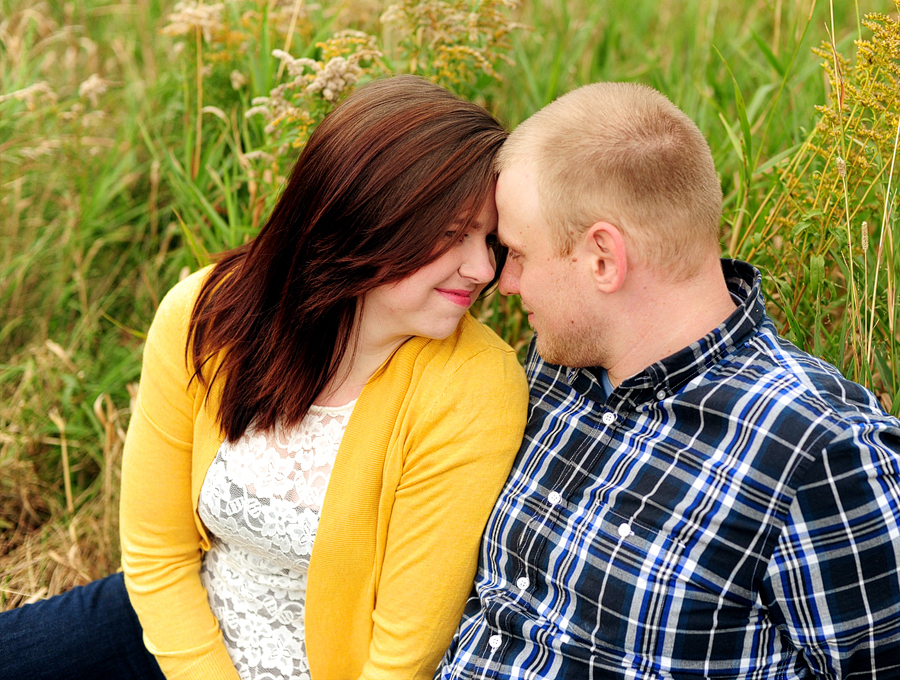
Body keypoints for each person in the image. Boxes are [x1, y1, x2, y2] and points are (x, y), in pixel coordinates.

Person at [0, 75, 528, 680]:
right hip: (176, 630)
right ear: (368, 214)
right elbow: (158, 553)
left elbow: (404, 655)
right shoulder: (208, 313)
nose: (483, 267)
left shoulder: (475, 386)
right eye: (451, 234)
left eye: (488, 238)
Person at [436, 82, 900, 678]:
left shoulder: (819, 452)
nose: (506, 283)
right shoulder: (550, 372)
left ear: (603, 258)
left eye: (519, 254)